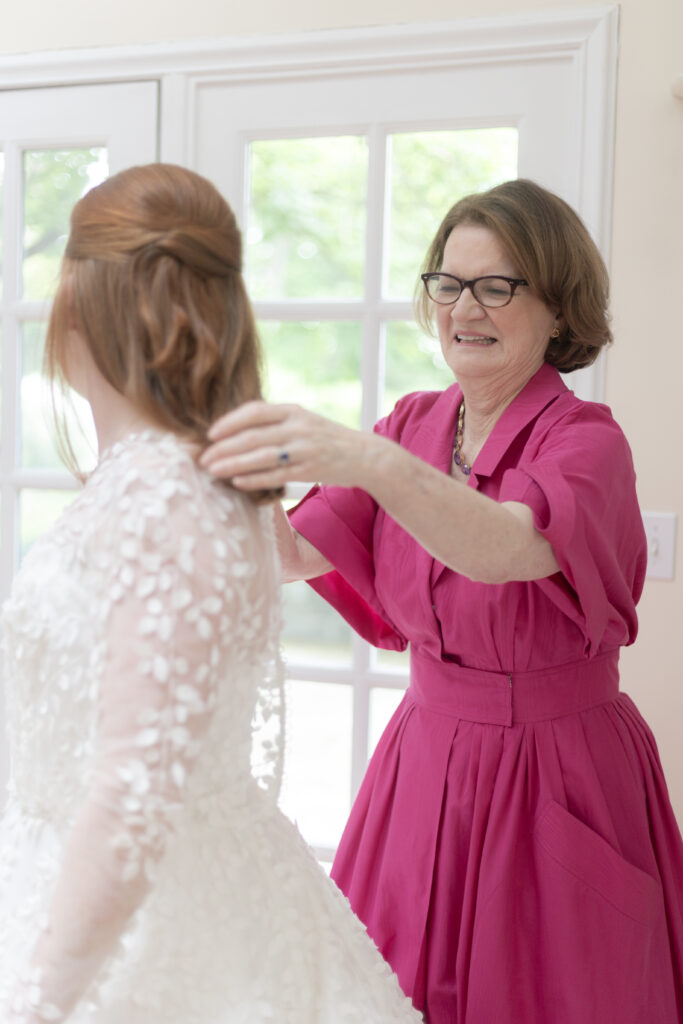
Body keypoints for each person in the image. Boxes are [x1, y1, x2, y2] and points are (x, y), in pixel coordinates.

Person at [200, 178, 683, 1024]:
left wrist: (366, 461)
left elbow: (502, 548)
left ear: (558, 308)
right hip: (424, 760)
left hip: (557, 771)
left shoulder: (586, 441)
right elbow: (285, 554)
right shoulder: (412, 426)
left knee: (554, 994)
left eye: (497, 286)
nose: (466, 307)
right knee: (389, 994)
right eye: (448, 283)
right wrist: (208, 454)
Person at [0, 163, 422, 1024]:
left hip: (152, 926)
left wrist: (37, 1002)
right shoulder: (162, 482)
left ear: (80, 304)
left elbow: (131, 800)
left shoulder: (171, 498)